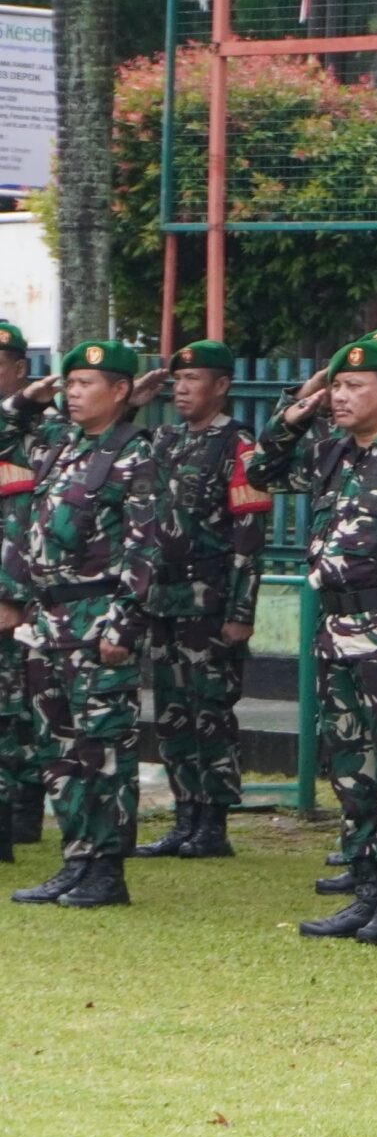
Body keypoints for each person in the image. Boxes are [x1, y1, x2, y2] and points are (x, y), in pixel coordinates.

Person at [248, 332, 377, 946]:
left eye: (354, 387)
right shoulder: (334, 453)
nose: (340, 397)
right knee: (350, 767)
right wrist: (297, 411)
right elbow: (262, 472)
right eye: (337, 386)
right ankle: (365, 890)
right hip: (336, 630)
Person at [0, 341, 159, 908]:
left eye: (85, 383)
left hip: (98, 619)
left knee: (104, 750)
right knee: (58, 749)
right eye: (68, 383)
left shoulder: (137, 454)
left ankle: (107, 869)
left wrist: (124, 625)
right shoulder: (58, 444)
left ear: (120, 391)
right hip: (48, 620)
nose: (71, 393)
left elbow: (147, 549)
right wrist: (22, 400)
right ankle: (76, 859)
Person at [132, 341, 269, 861]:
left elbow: (249, 535)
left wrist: (240, 612)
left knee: (210, 711)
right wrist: (134, 402)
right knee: (170, 713)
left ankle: (213, 822)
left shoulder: (237, 445)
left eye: (193, 381)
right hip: (164, 602)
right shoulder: (163, 440)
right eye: (178, 382)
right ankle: (184, 814)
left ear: (221, 386)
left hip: (211, 603)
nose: (182, 390)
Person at [0, 320, 52, 859]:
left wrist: (13, 592)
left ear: (19, 370)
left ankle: (22, 811)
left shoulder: (43, 429)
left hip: (27, 589)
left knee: (21, 706)